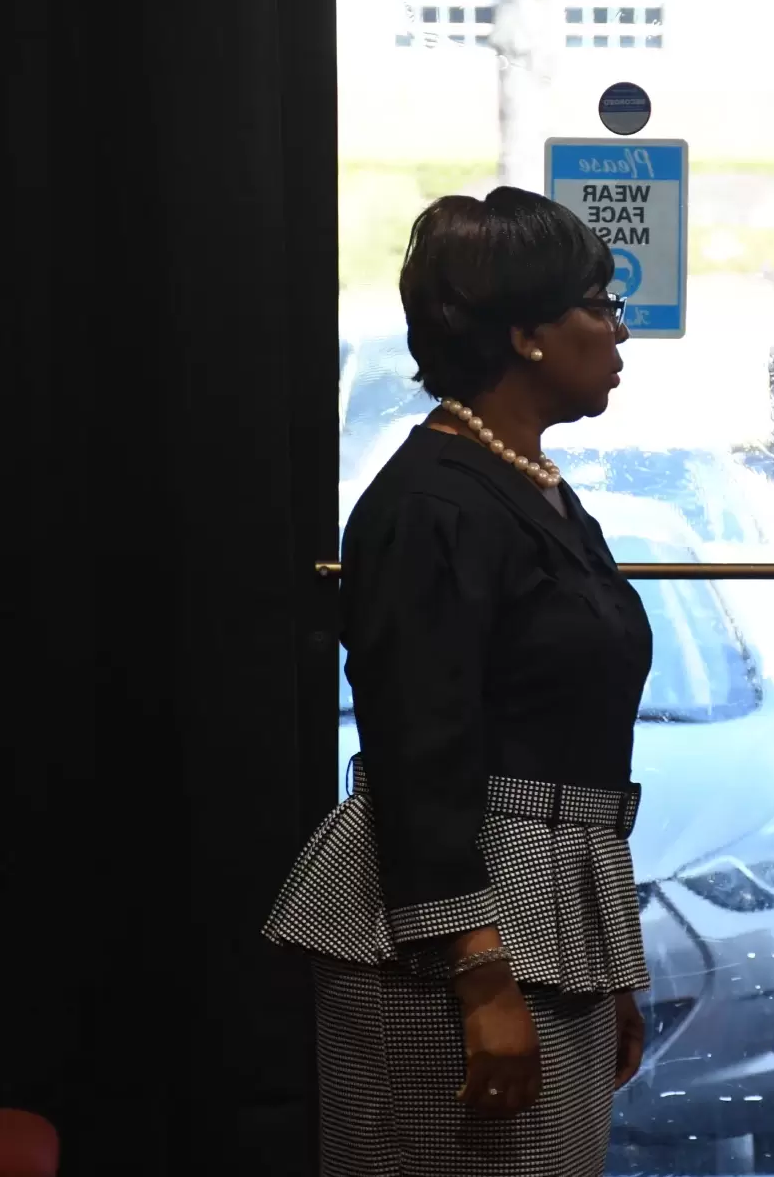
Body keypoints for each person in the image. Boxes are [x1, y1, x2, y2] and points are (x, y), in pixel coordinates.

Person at [265, 187, 651, 1177]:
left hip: (553, 919)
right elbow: (417, 751)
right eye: (599, 305)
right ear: (524, 333)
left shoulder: (531, 485)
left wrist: (609, 971)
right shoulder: (429, 504)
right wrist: (481, 977)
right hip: (454, 941)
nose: (619, 331)